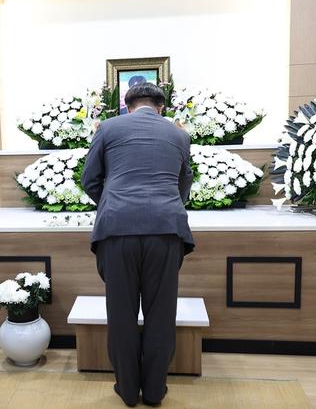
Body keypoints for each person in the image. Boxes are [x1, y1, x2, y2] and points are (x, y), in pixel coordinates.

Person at [82, 82, 194, 406]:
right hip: (166, 229)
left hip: (117, 230)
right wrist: (165, 206)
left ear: (127, 106)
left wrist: (113, 205)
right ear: (161, 107)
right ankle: (155, 391)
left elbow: (90, 180)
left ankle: (128, 391)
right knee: (161, 314)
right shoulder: (179, 135)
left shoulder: (108, 128)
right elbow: (184, 182)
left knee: (121, 314)